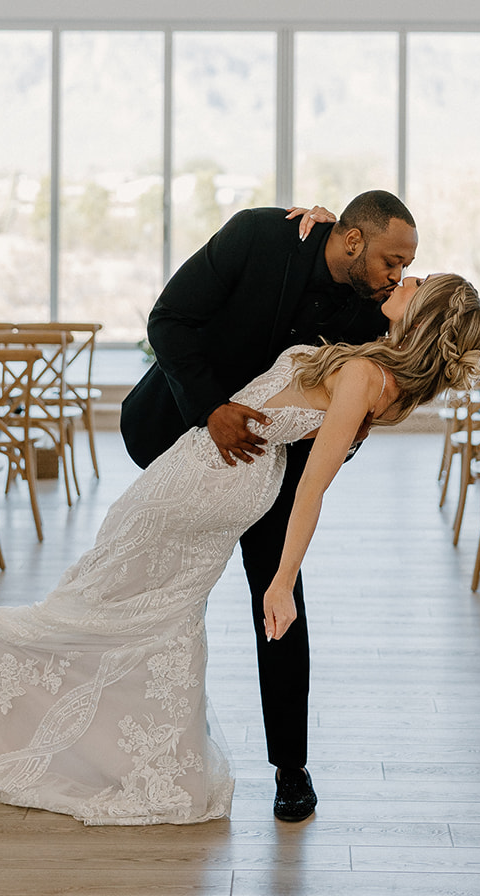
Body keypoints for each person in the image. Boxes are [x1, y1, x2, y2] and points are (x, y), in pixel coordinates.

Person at [0, 274, 480, 827]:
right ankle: (158, 764)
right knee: (157, 612)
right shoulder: (392, 388)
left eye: (415, 284)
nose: (403, 280)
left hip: (209, 473)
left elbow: (314, 488)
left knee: (94, 596)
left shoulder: (361, 374)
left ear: (422, 315)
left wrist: (280, 581)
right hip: (241, 478)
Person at [120, 191, 419, 821]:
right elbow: (167, 320)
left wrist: (359, 409)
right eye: (392, 260)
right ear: (353, 239)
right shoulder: (260, 235)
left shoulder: (369, 318)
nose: (397, 275)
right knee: (158, 590)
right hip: (176, 429)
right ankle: (131, 736)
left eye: (406, 265)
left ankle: (290, 767)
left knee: (280, 597)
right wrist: (211, 409)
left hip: (273, 470)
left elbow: (343, 419)